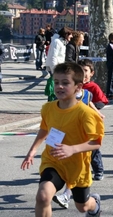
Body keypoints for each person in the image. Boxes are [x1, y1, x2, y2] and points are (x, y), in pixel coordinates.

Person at [20, 62, 104, 217]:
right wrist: (32, 151)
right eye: (56, 82)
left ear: (78, 87)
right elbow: (44, 129)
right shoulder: (48, 108)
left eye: (65, 83)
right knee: (43, 196)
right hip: (53, 161)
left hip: (77, 167)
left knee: (83, 206)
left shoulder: (86, 113)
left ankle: (95, 205)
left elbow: (96, 142)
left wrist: (72, 149)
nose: (59, 86)